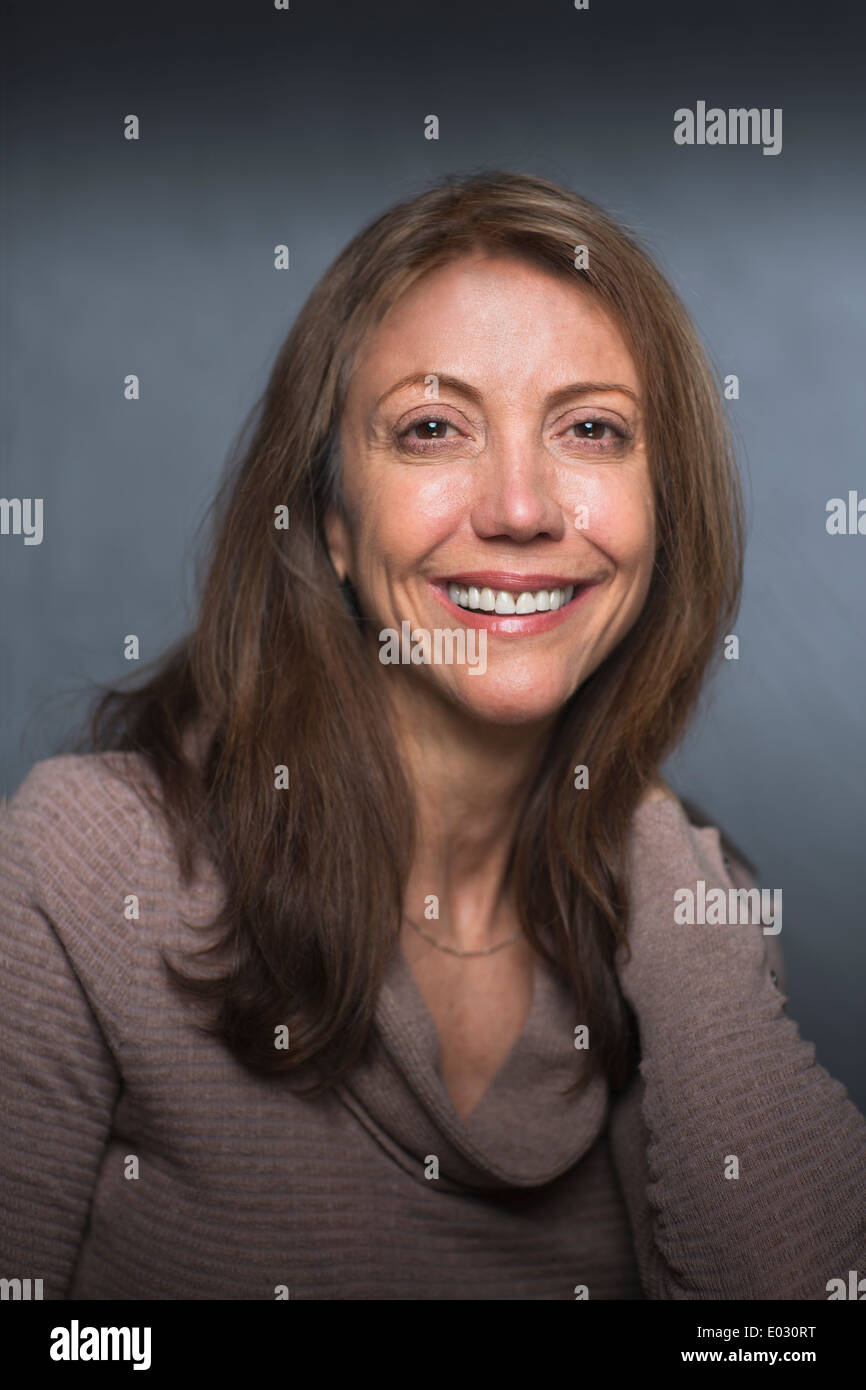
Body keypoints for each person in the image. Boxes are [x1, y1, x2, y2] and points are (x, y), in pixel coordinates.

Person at [1, 171, 864, 1300]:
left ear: (663, 516)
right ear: (331, 528)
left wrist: (643, 832)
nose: (517, 506)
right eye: (430, 428)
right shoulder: (87, 866)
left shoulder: (691, 902)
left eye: (590, 429)